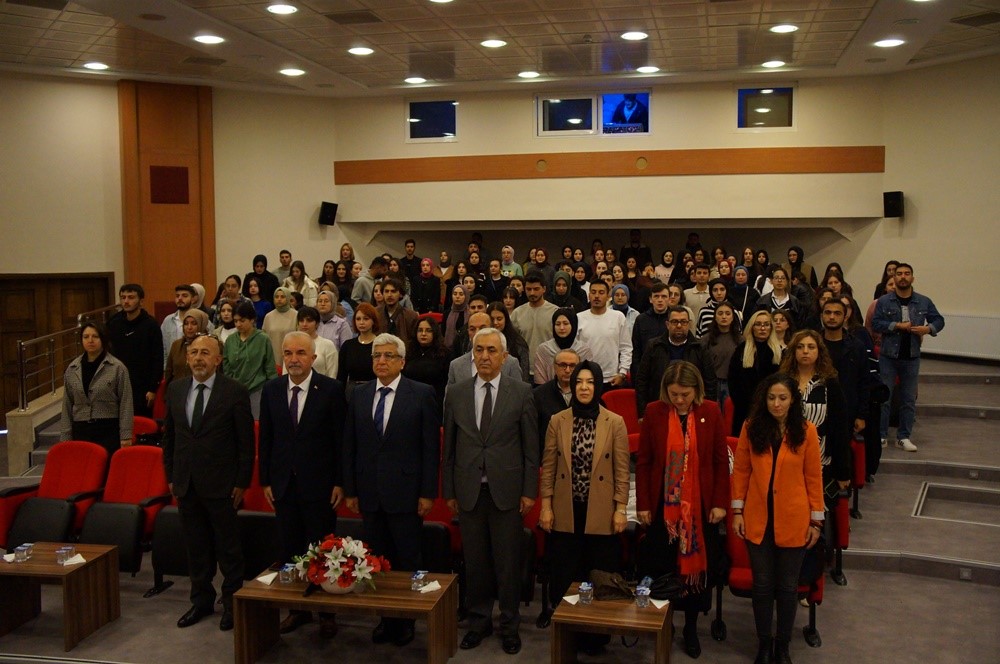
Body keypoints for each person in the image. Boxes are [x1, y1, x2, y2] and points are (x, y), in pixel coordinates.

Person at [443, 327, 538, 655]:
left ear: (504, 356)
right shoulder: (456, 393)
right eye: (479, 350)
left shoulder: (522, 392)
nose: (484, 356)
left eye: (491, 351)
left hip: (507, 493)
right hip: (469, 492)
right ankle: (478, 621)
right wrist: (449, 491)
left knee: (507, 563)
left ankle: (510, 624)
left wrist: (529, 491)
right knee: (476, 562)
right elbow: (450, 450)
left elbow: (530, 449)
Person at [343, 333, 440, 648]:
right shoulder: (358, 394)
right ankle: (385, 618)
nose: (380, 361)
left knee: (408, 558)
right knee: (376, 560)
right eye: (376, 356)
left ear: (402, 361)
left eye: (387, 356)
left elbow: (430, 448)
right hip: (370, 492)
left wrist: (427, 493)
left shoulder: (421, 394)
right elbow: (351, 446)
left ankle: (407, 619)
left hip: (407, 492)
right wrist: (352, 490)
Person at [636, 361, 729, 659]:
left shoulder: (711, 412)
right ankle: (667, 624)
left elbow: (718, 461)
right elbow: (645, 462)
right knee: (664, 568)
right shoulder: (654, 411)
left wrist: (718, 503)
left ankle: (690, 627)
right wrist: (644, 504)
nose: (679, 400)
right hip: (663, 507)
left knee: (695, 573)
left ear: (696, 390)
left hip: (700, 508)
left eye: (685, 394)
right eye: (674, 394)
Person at [162, 334, 254, 632]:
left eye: (205, 353)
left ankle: (232, 604)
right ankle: (201, 600)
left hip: (223, 486)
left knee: (229, 550)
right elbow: (170, 439)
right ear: (187, 358)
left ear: (218, 359)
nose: (199, 357)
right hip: (186, 484)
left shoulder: (235, 392)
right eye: (194, 352)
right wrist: (171, 477)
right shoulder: (175, 390)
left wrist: (242, 482)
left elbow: (245, 444)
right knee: (196, 548)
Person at [731, 374, 824, 664]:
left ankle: (782, 645)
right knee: (762, 585)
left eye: (783, 398)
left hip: (795, 519)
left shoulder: (806, 431)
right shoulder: (750, 428)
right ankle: (763, 643)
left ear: (793, 400)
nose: (777, 403)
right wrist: (737, 511)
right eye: (771, 398)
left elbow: (813, 477)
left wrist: (816, 521)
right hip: (758, 518)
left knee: (787, 587)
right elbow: (742, 472)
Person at [258, 331, 346, 638]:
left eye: (299, 353)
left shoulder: (332, 390)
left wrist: (340, 481)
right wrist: (265, 479)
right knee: (290, 549)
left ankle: (327, 612)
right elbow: (266, 438)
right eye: (288, 353)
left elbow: (341, 441)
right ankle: (297, 610)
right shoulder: (271, 389)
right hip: (283, 484)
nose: (293, 359)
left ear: (313, 357)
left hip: (321, 485)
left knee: (323, 549)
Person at [537, 361, 630, 631]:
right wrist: (546, 506)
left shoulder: (615, 422)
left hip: (600, 511)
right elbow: (549, 469)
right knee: (565, 574)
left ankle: (596, 634)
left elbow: (622, 471)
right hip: (567, 509)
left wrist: (620, 509)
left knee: (598, 574)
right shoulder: (558, 420)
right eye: (579, 382)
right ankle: (567, 633)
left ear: (598, 385)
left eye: (590, 382)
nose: (584, 387)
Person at [779, 329, 851, 549]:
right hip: (785, 459)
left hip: (820, 462)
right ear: (793, 351)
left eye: (811, 347)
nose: (805, 352)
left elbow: (840, 428)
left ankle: (813, 565)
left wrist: (842, 471)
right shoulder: (782, 381)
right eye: (800, 347)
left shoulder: (829, 383)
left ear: (819, 352)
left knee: (815, 515)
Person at [871, 263, 944, 452]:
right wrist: (896, 326)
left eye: (907, 273)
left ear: (913, 278)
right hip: (888, 356)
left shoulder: (923, 301)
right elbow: (876, 323)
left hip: (911, 356)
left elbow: (939, 320)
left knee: (908, 399)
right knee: (884, 398)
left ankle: (904, 437)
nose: (903, 277)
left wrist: (928, 329)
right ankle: (881, 435)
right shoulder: (884, 301)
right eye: (899, 274)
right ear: (893, 278)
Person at [59, 322, 133, 458]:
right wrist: (65, 436)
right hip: (80, 430)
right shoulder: (72, 368)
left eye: (95, 336)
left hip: (108, 430)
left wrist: (126, 435)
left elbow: (126, 403)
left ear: (103, 339)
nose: (90, 340)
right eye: (86, 337)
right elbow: (67, 405)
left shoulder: (117, 367)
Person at [635, 305, 711, 417]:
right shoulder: (654, 346)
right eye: (675, 322)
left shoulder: (700, 347)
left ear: (689, 324)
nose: (679, 325)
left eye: (683, 322)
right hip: (660, 406)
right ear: (667, 324)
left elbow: (710, 382)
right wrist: (642, 413)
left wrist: (705, 411)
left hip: (692, 408)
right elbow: (642, 381)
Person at [107, 283, 163, 416]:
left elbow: (157, 358)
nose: (126, 301)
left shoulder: (151, 325)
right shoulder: (113, 323)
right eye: (123, 297)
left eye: (131, 297)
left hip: (142, 386)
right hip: (117, 383)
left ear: (141, 301)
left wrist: (152, 389)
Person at [728, 310, 783, 437]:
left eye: (766, 324)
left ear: (771, 327)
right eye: (758, 324)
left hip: (772, 410)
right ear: (752, 327)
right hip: (744, 410)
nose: (762, 328)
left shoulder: (778, 352)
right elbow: (733, 380)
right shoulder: (741, 350)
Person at [223, 301, 278, 419]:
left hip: (257, 389)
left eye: (242, 320)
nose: (238, 324)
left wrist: (273, 392)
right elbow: (226, 366)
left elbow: (269, 367)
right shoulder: (230, 340)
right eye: (236, 321)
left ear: (252, 320)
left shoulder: (263, 339)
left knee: (257, 424)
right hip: (235, 391)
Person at [577, 280, 632, 390]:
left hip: (612, 379)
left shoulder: (618, 317)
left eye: (601, 292)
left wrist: (622, 373)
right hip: (586, 378)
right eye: (593, 292)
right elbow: (574, 350)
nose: (597, 296)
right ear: (589, 295)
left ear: (608, 296)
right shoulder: (579, 318)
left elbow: (626, 348)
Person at [447, 312, 522, 386]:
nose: (477, 332)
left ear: (492, 329)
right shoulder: (456, 366)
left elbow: (518, 394)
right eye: (472, 329)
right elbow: (451, 397)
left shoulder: (511, 363)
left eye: (482, 328)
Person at [510, 273, 559, 380]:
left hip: (549, 370)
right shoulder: (517, 313)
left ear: (544, 289)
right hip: (524, 370)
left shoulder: (555, 312)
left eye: (536, 289)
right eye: (528, 289)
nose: (532, 293)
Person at [402, 317, 451, 413]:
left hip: (434, 402)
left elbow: (447, 382)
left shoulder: (445, 354)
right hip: (410, 400)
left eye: (428, 331)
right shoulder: (408, 352)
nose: (423, 334)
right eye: (420, 330)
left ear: (435, 333)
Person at [533, 308, 592, 385]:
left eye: (565, 323)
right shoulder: (544, 349)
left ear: (573, 325)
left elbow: (588, 378)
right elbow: (540, 381)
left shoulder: (583, 350)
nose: (561, 328)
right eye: (557, 324)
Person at [702, 301, 742, 407]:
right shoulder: (705, 340)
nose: (724, 317)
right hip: (712, 384)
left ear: (733, 317)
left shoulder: (741, 340)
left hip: (732, 384)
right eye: (720, 313)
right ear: (715, 317)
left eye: (728, 314)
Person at [337, 303, 380, 399]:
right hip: (352, 392)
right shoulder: (348, 345)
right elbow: (341, 376)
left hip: (374, 390)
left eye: (366, 319)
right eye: (358, 319)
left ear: (373, 321)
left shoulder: (380, 345)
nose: (361, 322)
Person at [488, 302, 531, 382]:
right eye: (492, 319)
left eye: (499, 319)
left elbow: (524, 376)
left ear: (506, 319)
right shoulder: (481, 340)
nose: (495, 323)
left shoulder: (518, 342)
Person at [165, 309, 210, 385]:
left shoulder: (210, 345)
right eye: (186, 323)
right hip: (178, 391)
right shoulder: (176, 345)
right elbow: (168, 373)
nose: (189, 327)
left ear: (201, 325)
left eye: (194, 323)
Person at [292, 306, 338, 379]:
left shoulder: (327, 345)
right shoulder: (291, 344)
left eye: (309, 320)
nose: (304, 324)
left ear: (317, 323)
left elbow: (332, 374)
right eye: (301, 320)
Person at [377, 278, 419, 346]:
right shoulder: (375, 313)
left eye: (393, 291)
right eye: (386, 291)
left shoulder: (411, 316)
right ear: (382, 294)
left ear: (400, 294)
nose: (389, 295)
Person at [161, 284, 196, 365]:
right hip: (174, 367)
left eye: (184, 296)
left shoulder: (203, 319)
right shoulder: (168, 320)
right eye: (177, 296)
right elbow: (164, 348)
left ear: (193, 299)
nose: (180, 298)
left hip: (195, 366)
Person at [262, 287, 297, 361]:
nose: (279, 299)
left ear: (288, 298)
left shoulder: (296, 315)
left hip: (292, 356)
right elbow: (264, 339)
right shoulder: (269, 316)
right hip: (273, 356)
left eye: (282, 297)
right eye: (276, 297)